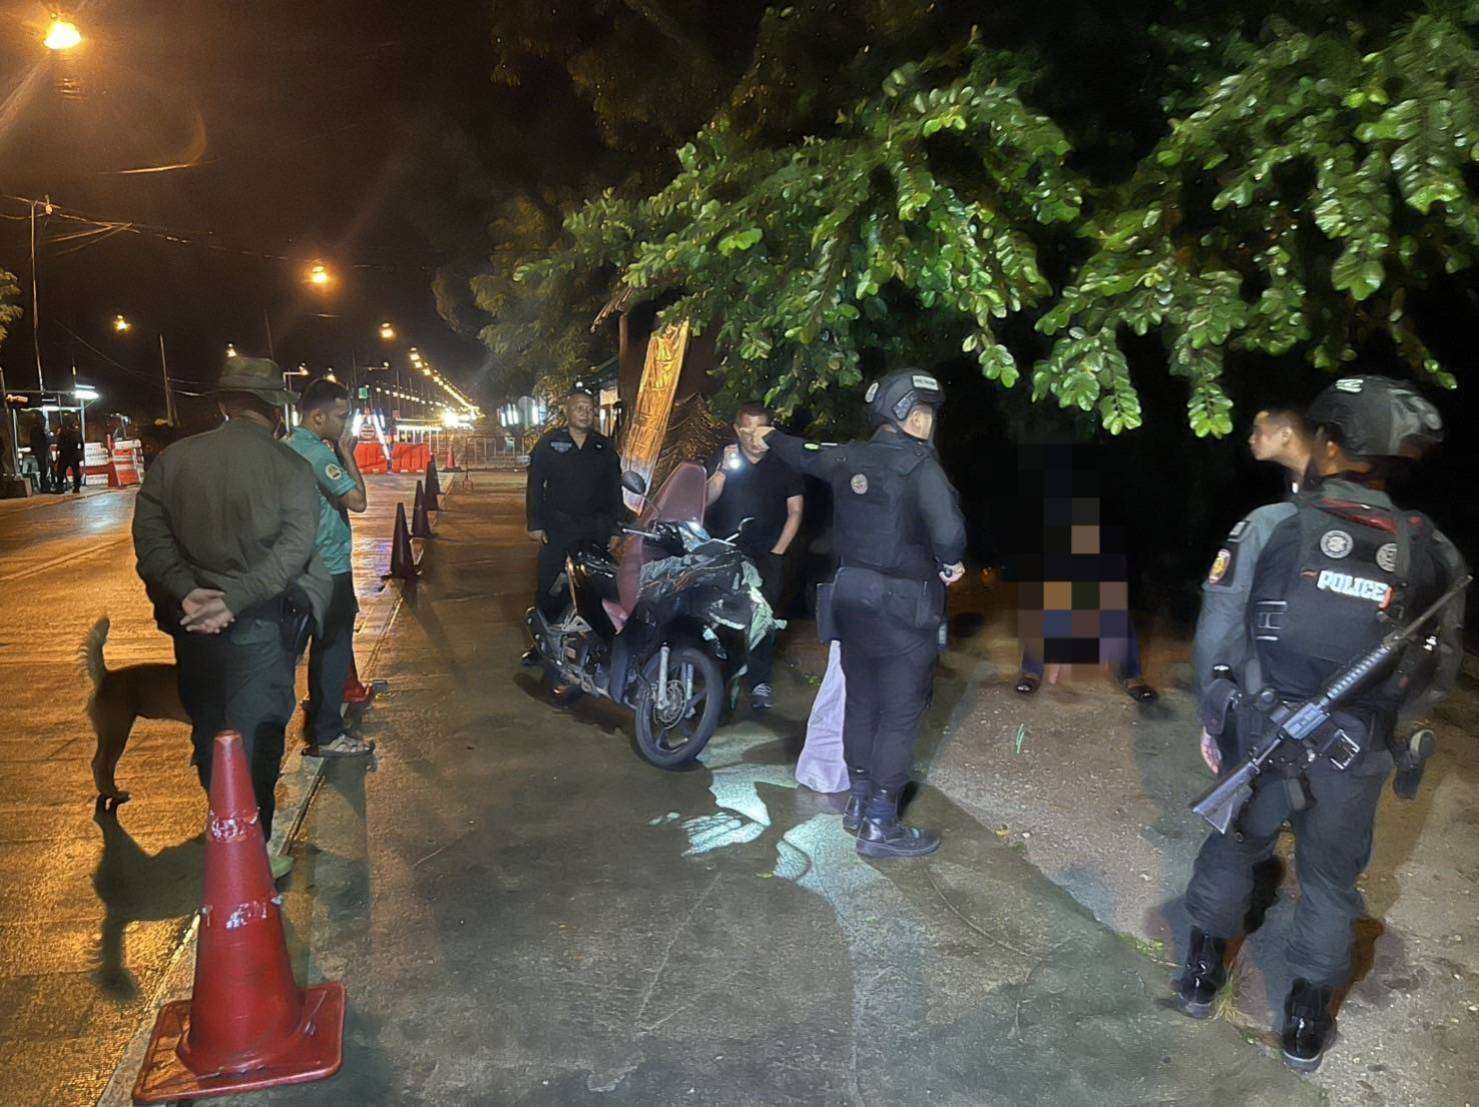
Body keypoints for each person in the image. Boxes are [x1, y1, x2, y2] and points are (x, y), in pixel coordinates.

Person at [1174, 375, 1466, 1071]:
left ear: (1329, 446)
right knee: (1331, 881)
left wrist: (1217, 719)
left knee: (1233, 846)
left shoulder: (1269, 525)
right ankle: (1304, 1023)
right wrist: (1383, 729)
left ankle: (1200, 977)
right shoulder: (1433, 551)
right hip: (1355, 750)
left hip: (1259, 730)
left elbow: (1216, 638)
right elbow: (1439, 672)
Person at [132, 356, 331, 879]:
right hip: (260, 624)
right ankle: (253, 850)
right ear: (276, 411)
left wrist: (188, 592)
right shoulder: (291, 467)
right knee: (257, 735)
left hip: (194, 627)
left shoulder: (172, 461)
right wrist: (237, 597)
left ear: (223, 404)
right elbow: (294, 551)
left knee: (209, 730)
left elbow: (150, 539)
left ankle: (225, 829)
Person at [758, 370, 966, 858]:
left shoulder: (850, 455)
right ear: (909, 415)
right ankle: (880, 823)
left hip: (850, 601)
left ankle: (858, 801)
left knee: (861, 704)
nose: (927, 422)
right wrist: (952, 564)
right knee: (899, 714)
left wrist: (768, 435)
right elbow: (950, 534)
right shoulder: (921, 468)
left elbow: (803, 453)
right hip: (903, 609)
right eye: (923, 413)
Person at [285, 378, 374, 759]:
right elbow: (357, 501)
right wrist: (347, 454)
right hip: (330, 568)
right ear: (318, 417)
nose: (345, 423)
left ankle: (316, 725)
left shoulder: (288, 446)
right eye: (341, 416)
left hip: (300, 565)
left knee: (303, 649)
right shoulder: (319, 455)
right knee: (332, 649)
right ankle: (327, 733)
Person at [706, 402, 804, 710]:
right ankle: (721, 683)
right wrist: (722, 470)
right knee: (723, 617)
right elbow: (704, 500)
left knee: (764, 619)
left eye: (761, 430)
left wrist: (777, 552)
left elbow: (795, 511)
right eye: (747, 431)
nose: (754, 438)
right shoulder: (725, 458)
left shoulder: (784, 463)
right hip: (727, 550)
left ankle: (760, 681)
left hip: (767, 554)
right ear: (737, 430)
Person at [524, 388, 623, 626]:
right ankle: (547, 631)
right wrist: (535, 523)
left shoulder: (603, 446)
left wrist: (615, 529)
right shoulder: (549, 443)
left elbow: (614, 490)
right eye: (579, 408)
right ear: (566, 411)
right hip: (558, 526)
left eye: (589, 409)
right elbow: (535, 485)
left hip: (595, 527)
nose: (585, 413)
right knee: (551, 581)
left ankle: (592, 633)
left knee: (595, 581)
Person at [1248, 405, 1313, 497]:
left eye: (1258, 432)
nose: (1251, 440)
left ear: (1285, 435)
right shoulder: (1289, 478)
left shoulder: (1329, 471)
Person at [55, 417, 83, 493]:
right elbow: (81, 443)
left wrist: (58, 452)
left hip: (64, 454)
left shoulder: (63, 432)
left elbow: (59, 443)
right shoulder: (77, 432)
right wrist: (80, 452)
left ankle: (60, 487)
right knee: (76, 471)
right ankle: (77, 487)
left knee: (60, 471)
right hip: (74, 453)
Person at [27, 415, 53, 493]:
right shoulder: (41, 430)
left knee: (43, 470)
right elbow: (47, 440)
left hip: (37, 452)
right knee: (43, 470)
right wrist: (49, 437)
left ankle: (43, 486)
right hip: (42, 452)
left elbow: (32, 442)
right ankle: (44, 487)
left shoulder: (33, 430)